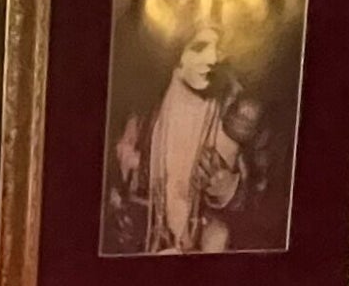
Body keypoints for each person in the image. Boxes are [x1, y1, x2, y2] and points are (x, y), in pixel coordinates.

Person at [104, 22, 250, 256]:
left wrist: (230, 191)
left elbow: (265, 204)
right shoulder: (144, 110)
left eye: (218, 49)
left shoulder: (235, 110)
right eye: (199, 47)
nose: (212, 59)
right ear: (177, 52)